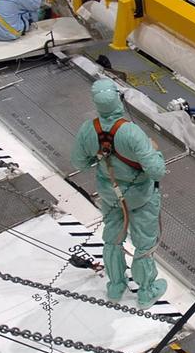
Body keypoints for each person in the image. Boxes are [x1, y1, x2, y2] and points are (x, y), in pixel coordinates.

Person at [70, 80, 167, 306]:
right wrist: (155, 152)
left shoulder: (88, 129)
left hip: (109, 194)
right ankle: (146, 291)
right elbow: (157, 171)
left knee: (112, 239)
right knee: (144, 243)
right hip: (140, 196)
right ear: (118, 100)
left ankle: (115, 287)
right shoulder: (131, 132)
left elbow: (79, 163)